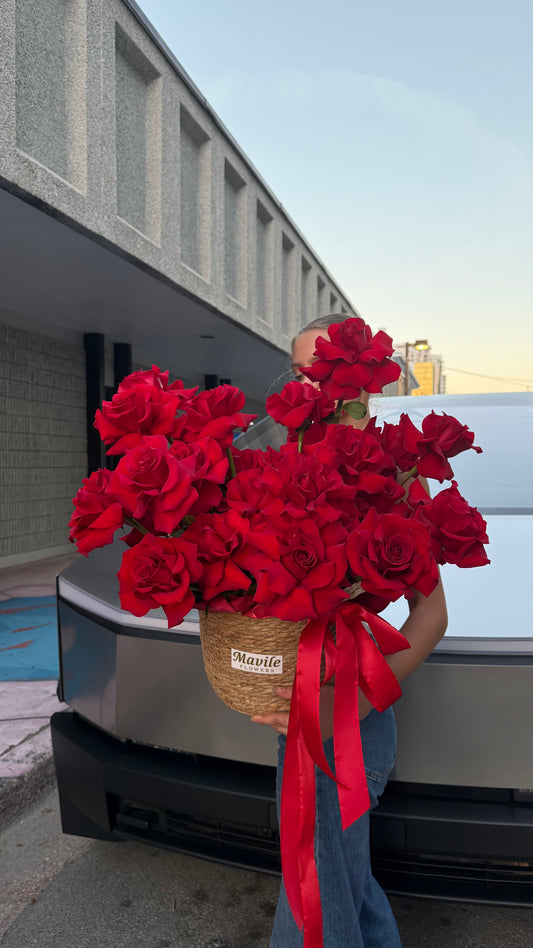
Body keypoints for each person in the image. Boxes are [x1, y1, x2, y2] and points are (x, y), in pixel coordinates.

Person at [252, 314, 448, 948]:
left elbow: (432, 614)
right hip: (298, 708)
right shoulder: (276, 464)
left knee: (318, 889)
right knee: (340, 883)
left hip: (352, 717)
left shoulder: (397, 475)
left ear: (362, 379)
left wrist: (356, 702)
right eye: (304, 371)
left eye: (331, 370)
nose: (318, 386)